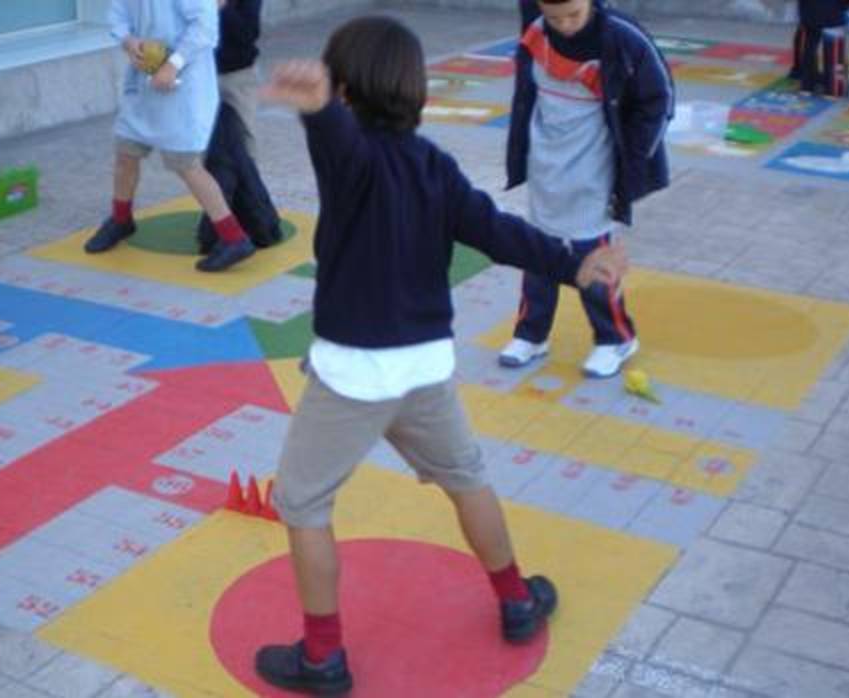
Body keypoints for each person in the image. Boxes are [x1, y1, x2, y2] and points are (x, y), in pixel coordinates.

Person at [253, 16, 629, 694]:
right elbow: (499, 232)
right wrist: (575, 264)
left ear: (343, 89)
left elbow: (344, 149)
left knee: (303, 504)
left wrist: (316, 113)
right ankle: (517, 600)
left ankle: (323, 657)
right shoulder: (434, 167)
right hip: (425, 368)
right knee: (467, 477)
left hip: (356, 377)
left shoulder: (352, 158)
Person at [497, 0, 672, 379]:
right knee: (537, 251)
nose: (565, 26)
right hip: (547, 168)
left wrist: (633, 167)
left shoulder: (623, 36)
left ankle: (615, 338)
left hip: (597, 171)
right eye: (554, 17)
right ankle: (532, 333)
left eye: (574, 15)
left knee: (590, 254)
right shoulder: (537, 28)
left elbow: (659, 98)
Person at [84, 0, 256, 272]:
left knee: (187, 165)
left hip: (185, 82)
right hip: (145, 81)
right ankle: (121, 220)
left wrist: (173, 64)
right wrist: (129, 41)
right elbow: (118, 15)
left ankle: (234, 238)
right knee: (126, 153)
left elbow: (205, 25)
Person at [196, 0, 284, 254]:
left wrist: (221, 6)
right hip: (200, 73)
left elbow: (247, 34)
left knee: (244, 146)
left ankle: (251, 212)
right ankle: (218, 214)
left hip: (238, 75)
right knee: (205, 148)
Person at [795, 0, 849, 97]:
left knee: (809, 48)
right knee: (835, 53)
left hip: (809, 13)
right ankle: (834, 88)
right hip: (834, 14)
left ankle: (807, 85)